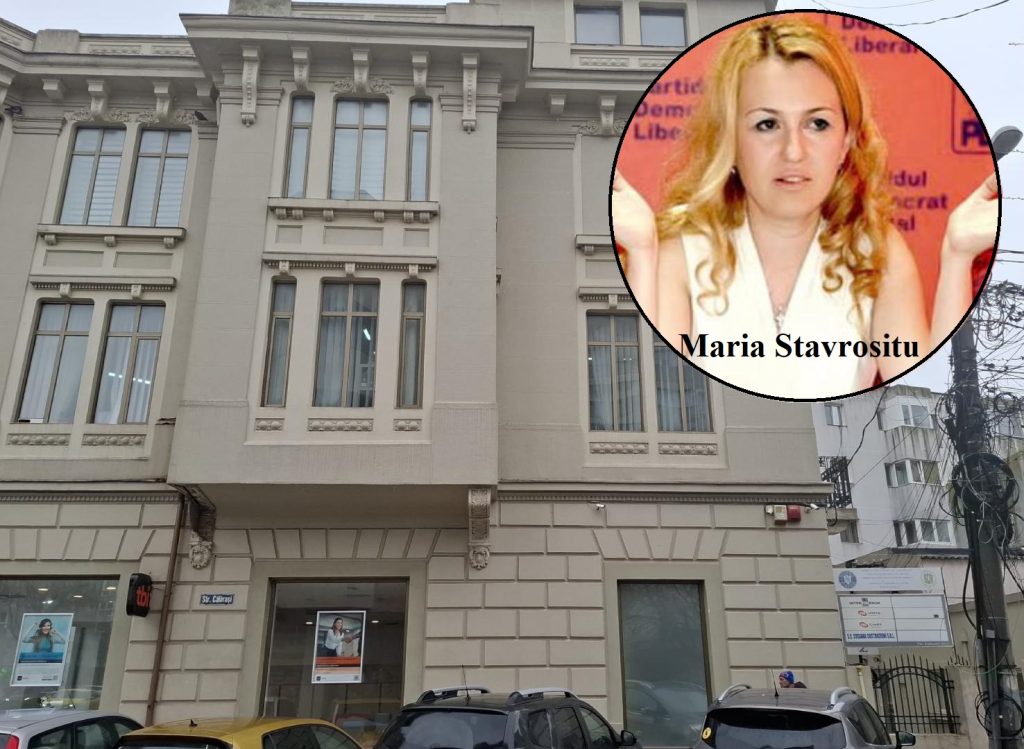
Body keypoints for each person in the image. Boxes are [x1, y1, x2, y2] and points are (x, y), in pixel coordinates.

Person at [612, 15, 998, 399]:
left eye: (817, 124)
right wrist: (642, 255)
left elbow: (930, 397)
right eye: (767, 125)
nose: (793, 151)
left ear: (846, 141)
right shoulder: (678, 250)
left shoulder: (878, 251)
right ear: (730, 140)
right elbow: (660, 399)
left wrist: (957, 256)